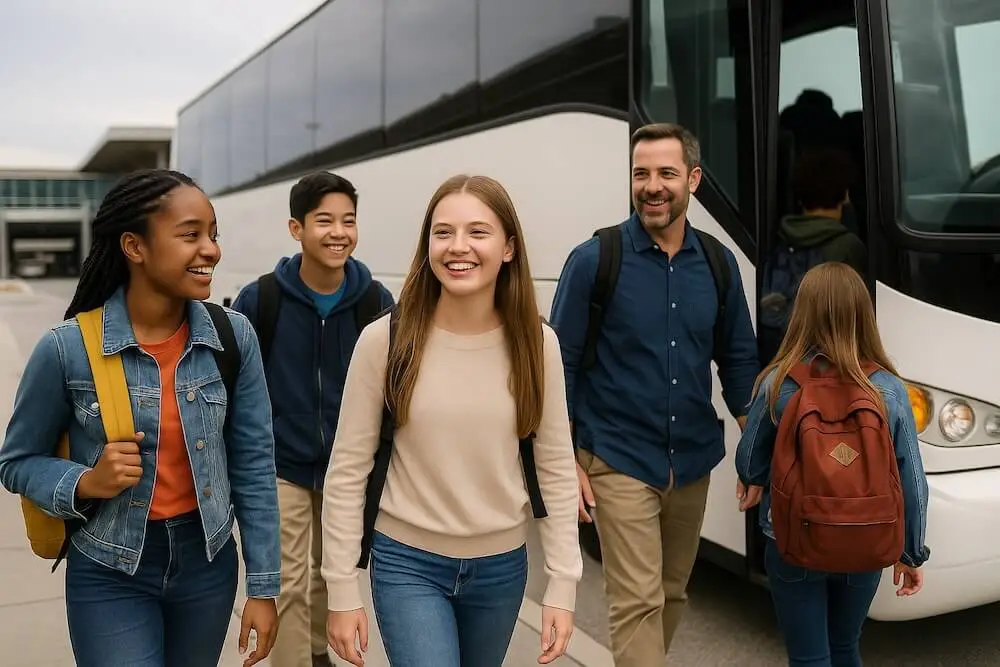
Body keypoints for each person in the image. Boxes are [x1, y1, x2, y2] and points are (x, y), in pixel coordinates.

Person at [0, 169, 281, 667]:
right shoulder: (67, 349)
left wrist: (263, 587)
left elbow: (254, 465)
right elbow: (16, 461)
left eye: (213, 234)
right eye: (190, 234)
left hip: (207, 564)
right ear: (135, 246)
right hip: (110, 567)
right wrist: (86, 481)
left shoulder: (234, 337)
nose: (211, 249)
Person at [321, 174, 582, 667]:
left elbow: (555, 467)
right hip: (406, 564)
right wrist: (341, 586)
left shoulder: (537, 343)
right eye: (443, 233)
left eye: (478, 232)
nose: (458, 247)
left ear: (508, 247)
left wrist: (563, 583)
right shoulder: (385, 340)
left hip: (502, 569)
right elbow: (348, 469)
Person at [549, 122, 760, 666]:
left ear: (693, 179)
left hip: (691, 460)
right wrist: (564, 460)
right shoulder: (595, 259)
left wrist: (755, 450)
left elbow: (737, 362)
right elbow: (560, 367)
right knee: (638, 601)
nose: (652, 186)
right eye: (641, 174)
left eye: (666, 173)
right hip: (617, 458)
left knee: (671, 594)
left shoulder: (717, 264)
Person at [230, 171, 393, 667]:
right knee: (289, 581)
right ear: (296, 228)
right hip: (282, 464)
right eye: (324, 220)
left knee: (332, 572)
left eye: (348, 220)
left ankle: (317, 654)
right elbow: (236, 385)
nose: (338, 232)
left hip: (347, 467)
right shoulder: (262, 300)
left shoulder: (375, 302)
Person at [735, 262, 929, 667]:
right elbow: (911, 478)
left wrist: (752, 478)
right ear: (863, 315)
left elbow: (749, 458)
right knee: (846, 646)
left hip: (793, 538)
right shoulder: (889, 390)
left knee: (809, 657)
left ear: (801, 313)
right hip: (865, 536)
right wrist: (910, 553)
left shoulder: (778, 383)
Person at [759, 148, 868, 364]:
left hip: (780, 357)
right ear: (844, 195)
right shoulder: (848, 246)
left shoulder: (778, 239)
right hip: (826, 361)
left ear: (799, 197)